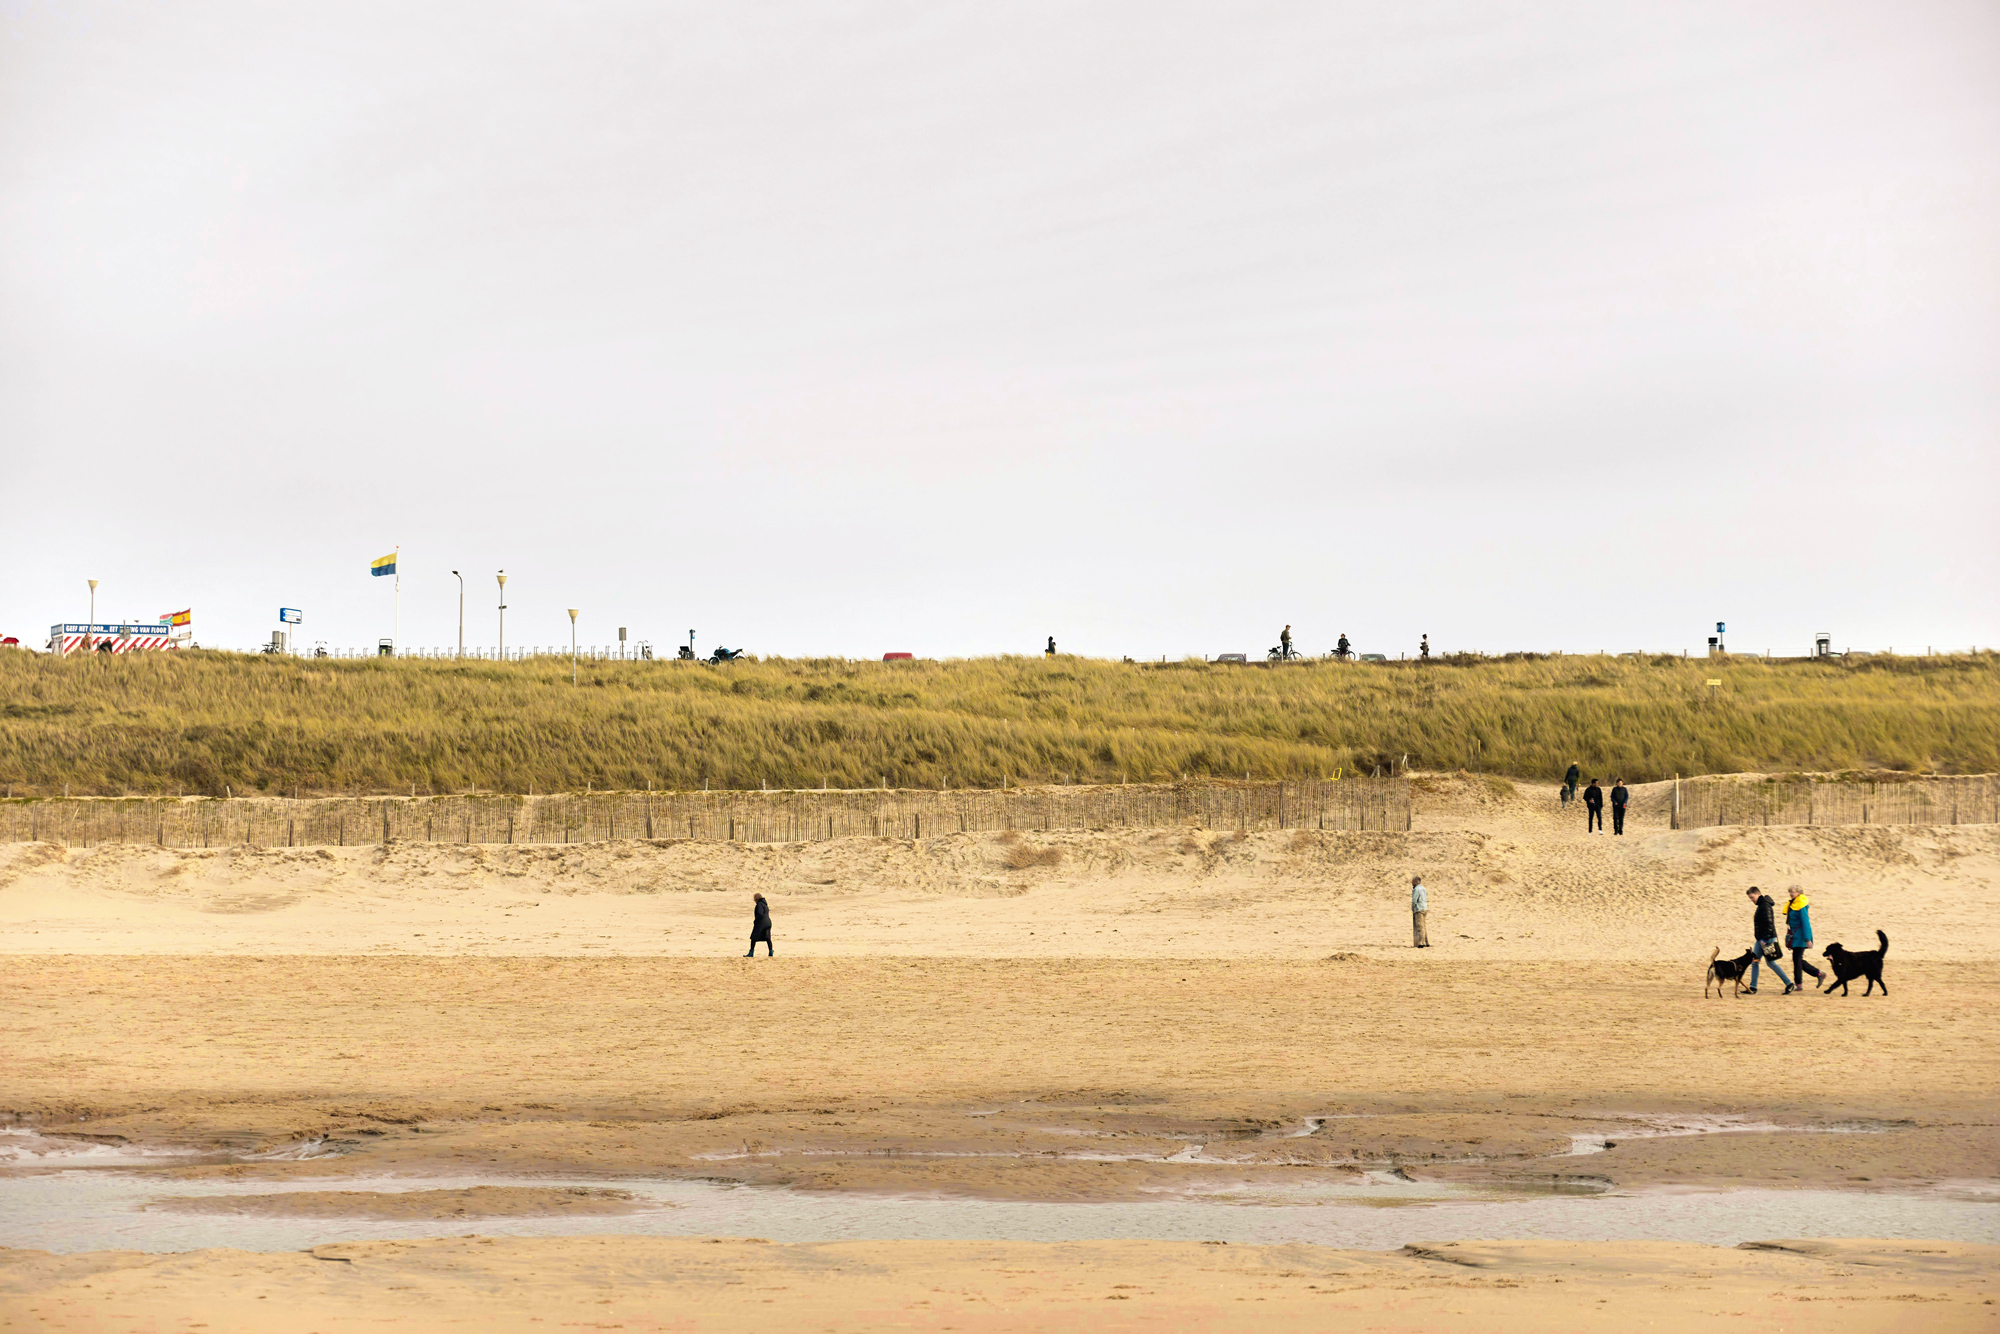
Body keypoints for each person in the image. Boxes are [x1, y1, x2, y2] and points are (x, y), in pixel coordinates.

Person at [1745, 886, 1792, 994]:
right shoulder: (1761, 905)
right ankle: (1753, 987)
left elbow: (1769, 923)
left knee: (1771, 963)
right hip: (1761, 939)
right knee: (1755, 961)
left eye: (1752, 897)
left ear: (1758, 894)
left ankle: (1789, 984)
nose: (1752, 900)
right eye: (1750, 898)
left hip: (1767, 939)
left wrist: (1765, 939)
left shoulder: (1765, 905)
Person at [1785, 885, 1827, 992]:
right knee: (1797, 960)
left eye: (1793, 892)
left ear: (1799, 892)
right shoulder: (1792, 904)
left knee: (1797, 960)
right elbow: (1790, 923)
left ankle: (1799, 984)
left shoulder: (1801, 905)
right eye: (1790, 892)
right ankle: (1818, 973)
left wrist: (1808, 939)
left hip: (1801, 937)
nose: (1791, 893)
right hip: (1795, 937)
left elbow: (1805, 923)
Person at [745, 892, 773, 957]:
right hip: (768, 922)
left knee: (753, 937)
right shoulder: (765, 905)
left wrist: (756, 921)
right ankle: (771, 952)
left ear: (756, 899)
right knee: (768, 938)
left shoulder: (759, 904)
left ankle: (751, 953)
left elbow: (760, 914)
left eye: (754, 899)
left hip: (761, 923)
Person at [1410, 875, 1430, 948]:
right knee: (1423, 926)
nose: (1411, 883)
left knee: (1420, 926)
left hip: (1419, 909)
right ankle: (1426, 941)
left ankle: (1421, 943)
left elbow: (1414, 900)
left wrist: (1412, 908)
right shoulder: (1423, 888)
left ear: (1416, 881)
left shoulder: (1416, 889)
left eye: (1412, 881)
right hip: (1424, 908)